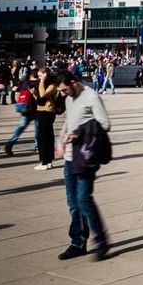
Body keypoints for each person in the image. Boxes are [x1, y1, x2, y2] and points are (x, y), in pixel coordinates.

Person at [55, 70, 110, 260]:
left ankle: (101, 240)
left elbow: (104, 124)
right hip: (70, 157)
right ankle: (77, 242)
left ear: (74, 82)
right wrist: (60, 141)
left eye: (63, 90)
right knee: (73, 202)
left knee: (83, 198)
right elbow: (68, 123)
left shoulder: (91, 96)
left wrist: (79, 133)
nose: (62, 94)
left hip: (86, 156)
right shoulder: (69, 98)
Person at [33, 65, 58, 171]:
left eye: (41, 75)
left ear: (46, 74)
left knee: (42, 137)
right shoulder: (42, 83)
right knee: (47, 136)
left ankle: (44, 161)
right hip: (41, 110)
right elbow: (39, 98)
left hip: (47, 112)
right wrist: (34, 94)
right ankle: (48, 161)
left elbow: (43, 94)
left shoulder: (52, 84)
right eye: (38, 76)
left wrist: (42, 81)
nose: (39, 78)